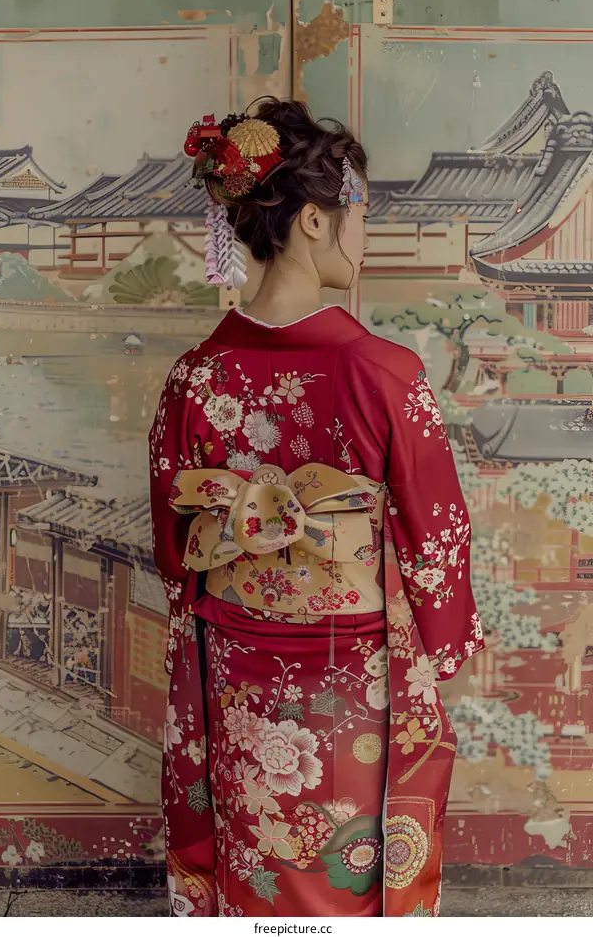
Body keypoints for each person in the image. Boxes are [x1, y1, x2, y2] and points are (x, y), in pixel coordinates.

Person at [149, 98, 484, 918]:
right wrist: (445, 639)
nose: (363, 235)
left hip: (234, 676)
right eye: (357, 213)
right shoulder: (387, 374)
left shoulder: (194, 379)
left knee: (258, 865)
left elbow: (173, 548)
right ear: (309, 219)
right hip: (354, 683)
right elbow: (437, 538)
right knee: (348, 865)